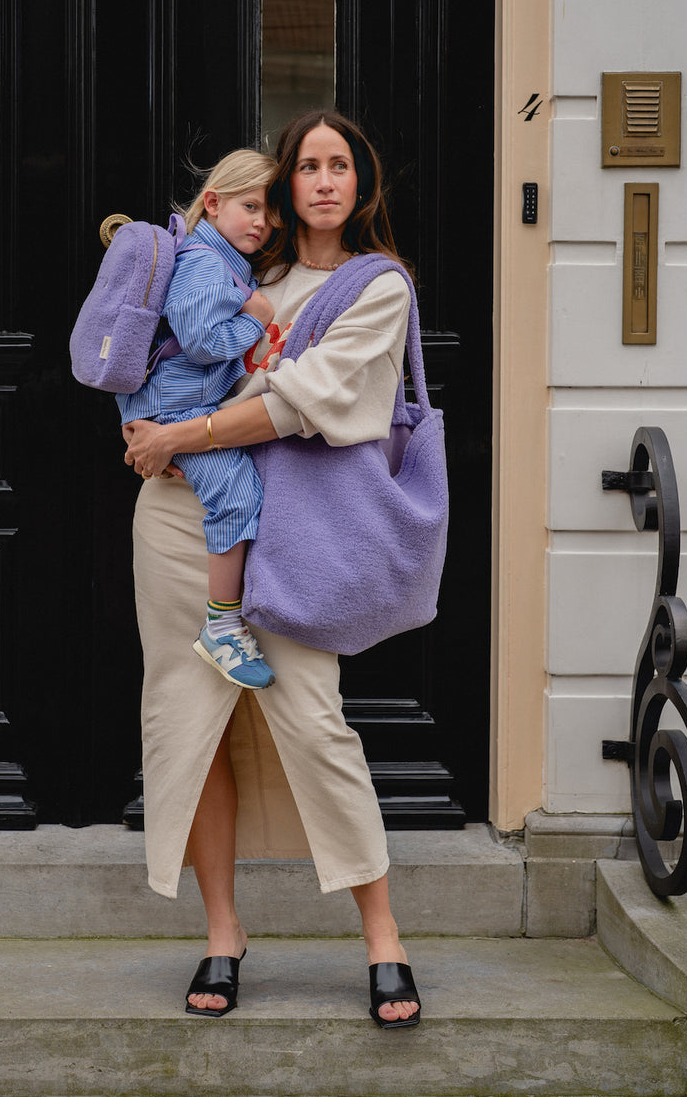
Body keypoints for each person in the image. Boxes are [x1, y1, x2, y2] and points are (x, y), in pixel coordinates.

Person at [123, 111, 421, 1028]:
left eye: (340, 166)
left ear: (361, 184)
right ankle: (222, 932)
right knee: (195, 720)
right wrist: (151, 432)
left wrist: (186, 432)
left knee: (313, 717)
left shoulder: (379, 289)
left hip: (292, 533)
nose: (324, 181)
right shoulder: (240, 270)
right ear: (283, 185)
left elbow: (303, 402)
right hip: (181, 524)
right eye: (308, 166)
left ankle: (384, 939)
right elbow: (160, 357)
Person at [118, 150, 278, 690]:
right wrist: (253, 322)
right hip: (177, 410)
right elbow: (203, 340)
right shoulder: (205, 264)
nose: (262, 222)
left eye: (271, 211)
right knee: (235, 491)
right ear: (213, 203)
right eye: (251, 206)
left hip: (188, 406)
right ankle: (222, 626)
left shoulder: (227, 261)